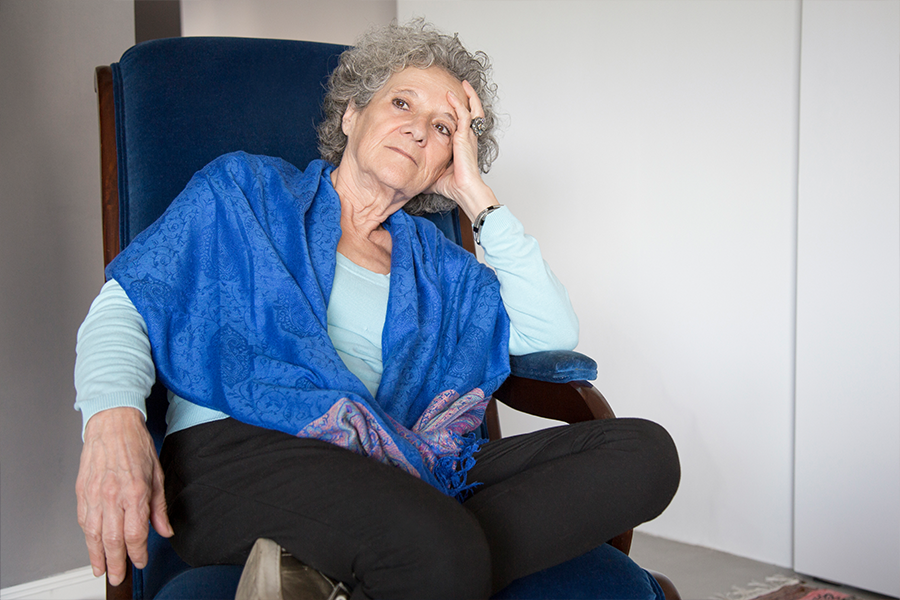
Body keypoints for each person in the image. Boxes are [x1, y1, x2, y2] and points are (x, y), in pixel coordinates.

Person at [74, 20, 680, 600]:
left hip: (399, 464)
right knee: (439, 546)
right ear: (351, 114)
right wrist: (113, 420)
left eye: (446, 128)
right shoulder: (245, 192)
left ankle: (347, 579)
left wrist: (476, 196)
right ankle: (433, 557)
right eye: (402, 105)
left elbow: (551, 331)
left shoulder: (443, 270)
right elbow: (126, 303)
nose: (420, 129)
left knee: (644, 454)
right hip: (242, 450)